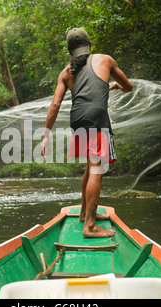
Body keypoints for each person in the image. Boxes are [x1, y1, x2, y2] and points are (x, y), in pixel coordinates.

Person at [41, 28, 133, 238]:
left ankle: (84, 213)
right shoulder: (105, 60)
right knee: (97, 169)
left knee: (91, 166)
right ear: (90, 44)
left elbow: (55, 104)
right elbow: (128, 86)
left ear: (69, 51)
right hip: (97, 117)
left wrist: (46, 135)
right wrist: (116, 87)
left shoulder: (66, 73)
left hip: (78, 118)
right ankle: (90, 226)